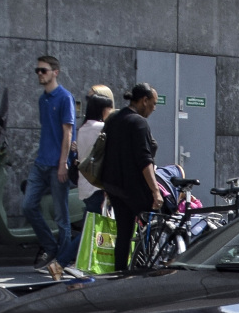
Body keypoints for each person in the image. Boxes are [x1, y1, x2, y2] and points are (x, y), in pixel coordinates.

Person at [45, 85, 114, 279]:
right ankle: (60, 263)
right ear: (103, 109)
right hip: (97, 186)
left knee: (90, 228)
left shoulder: (82, 129)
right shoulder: (101, 128)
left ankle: (76, 263)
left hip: (85, 185)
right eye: (108, 109)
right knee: (90, 230)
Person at [100, 83, 163, 272]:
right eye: (153, 104)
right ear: (144, 101)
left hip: (114, 187)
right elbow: (145, 161)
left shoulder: (114, 119)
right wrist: (155, 191)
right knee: (155, 224)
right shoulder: (139, 123)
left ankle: (120, 272)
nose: (153, 109)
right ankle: (149, 266)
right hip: (134, 189)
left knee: (124, 234)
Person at [22, 55, 75, 271]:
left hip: (57, 164)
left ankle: (61, 260)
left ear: (55, 72)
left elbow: (68, 132)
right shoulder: (42, 99)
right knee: (27, 206)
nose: (39, 74)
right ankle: (51, 248)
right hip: (41, 162)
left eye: (43, 70)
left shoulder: (65, 97)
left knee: (61, 215)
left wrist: (63, 163)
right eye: (37, 71)